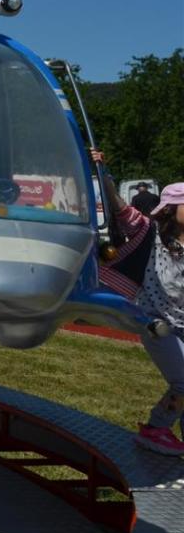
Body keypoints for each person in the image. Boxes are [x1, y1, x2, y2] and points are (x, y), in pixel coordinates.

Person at [96, 154, 184, 455]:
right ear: (171, 208)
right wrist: (103, 170)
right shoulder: (149, 232)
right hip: (156, 323)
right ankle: (156, 429)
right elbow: (119, 207)